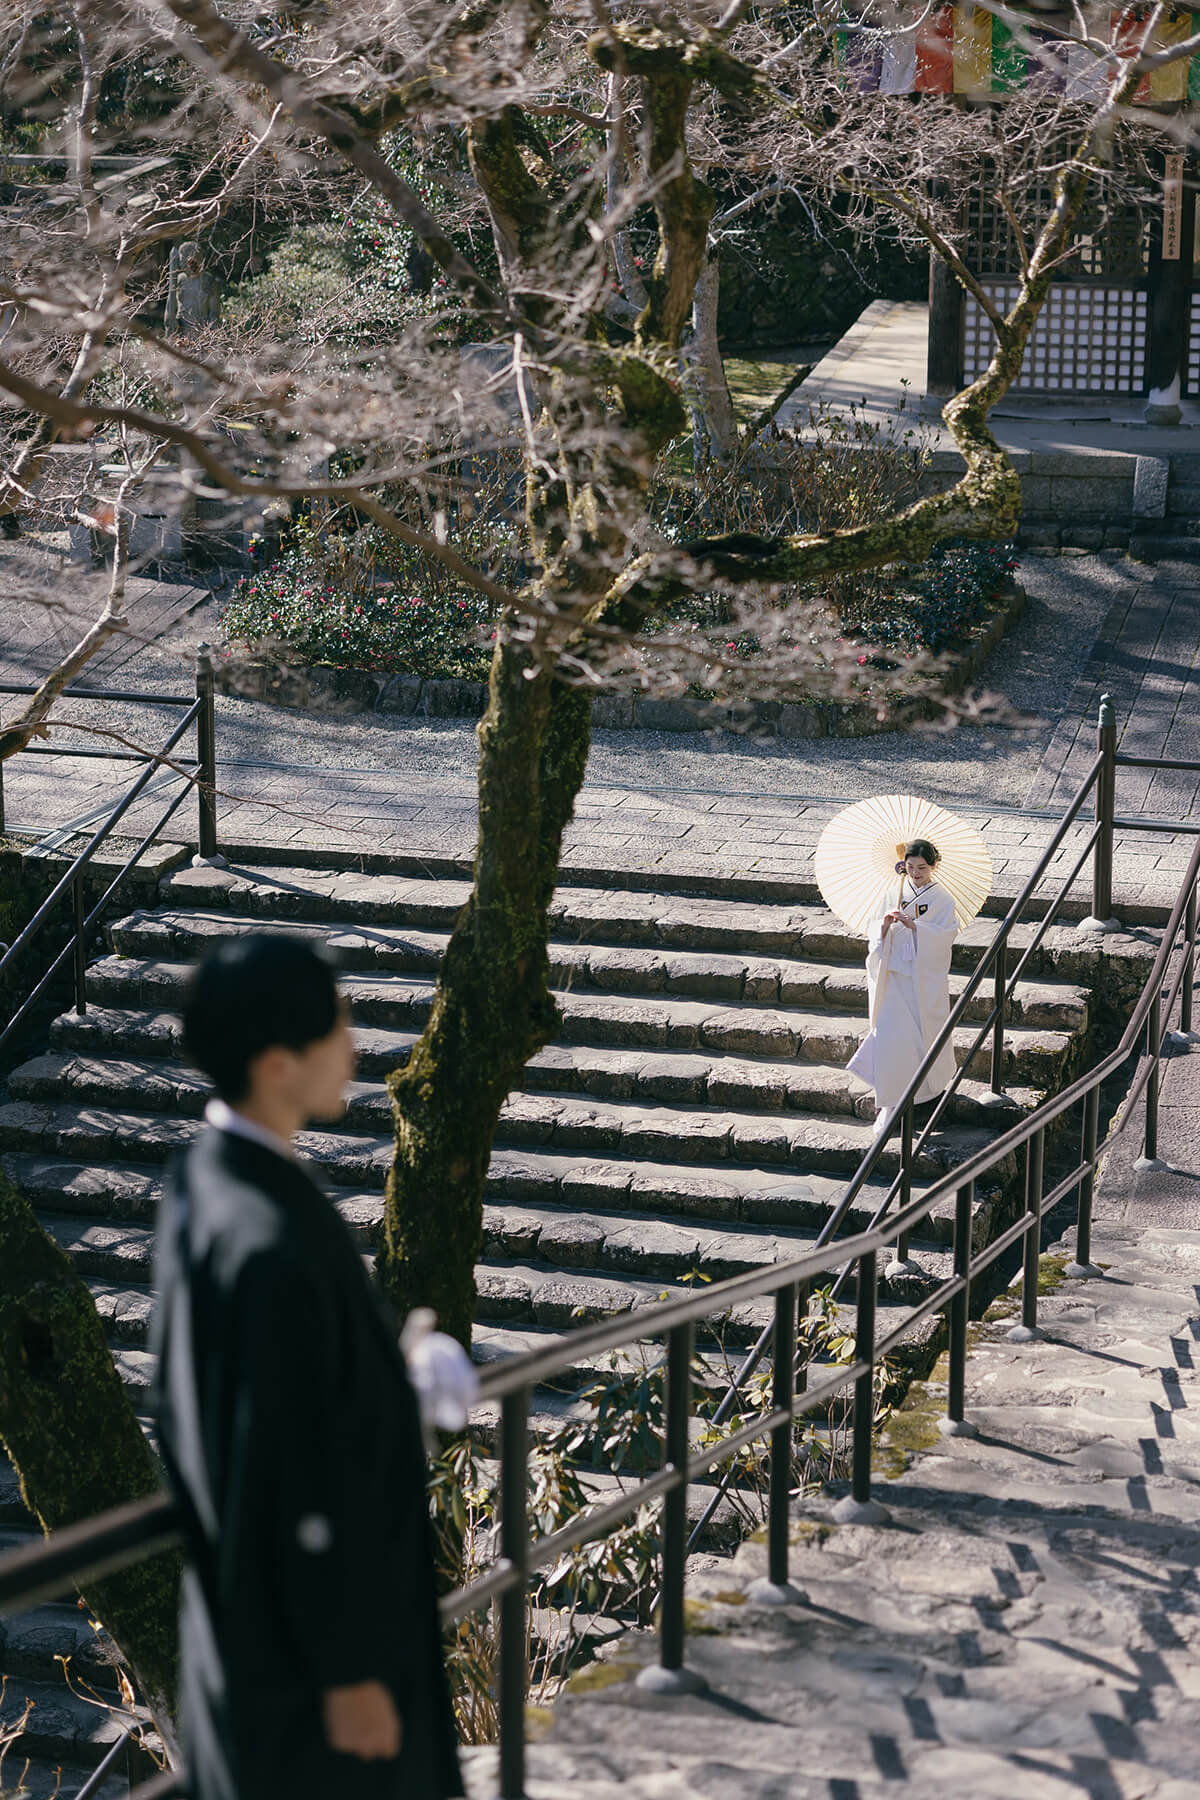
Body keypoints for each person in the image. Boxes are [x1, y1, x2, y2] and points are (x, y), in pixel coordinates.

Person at [150, 934, 464, 1800]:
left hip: (239, 1650)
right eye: (338, 1028)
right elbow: (285, 1475)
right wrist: (350, 1676)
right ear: (279, 1064)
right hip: (314, 1681)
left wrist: (384, 1379)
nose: (354, 1047)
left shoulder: (202, 1183)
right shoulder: (269, 1245)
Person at [846, 838, 959, 1138]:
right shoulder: (893, 892)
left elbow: (945, 937)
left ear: (933, 866)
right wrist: (884, 925)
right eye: (910, 867)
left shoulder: (943, 900)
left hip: (920, 981)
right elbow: (874, 931)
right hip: (893, 975)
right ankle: (889, 1102)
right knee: (889, 1036)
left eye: (922, 867)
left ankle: (914, 1093)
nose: (916, 873)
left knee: (917, 1038)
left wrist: (916, 926)